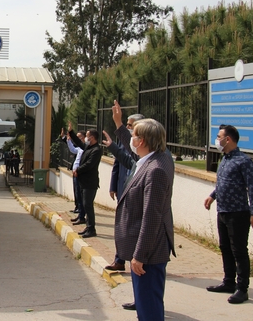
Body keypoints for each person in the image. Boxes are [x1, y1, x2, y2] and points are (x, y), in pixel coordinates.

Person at [104, 105, 175, 321]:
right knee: (146, 306)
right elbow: (129, 150)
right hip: (147, 251)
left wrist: (139, 256)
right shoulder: (155, 158)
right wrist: (119, 124)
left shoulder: (155, 170)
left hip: (148, 254)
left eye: (134, 134)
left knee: (149, 310)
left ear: (142, 141)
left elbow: (151, 217)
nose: (131, 139)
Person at [204, 124, 253, 304]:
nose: (217, 139)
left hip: (238, 213)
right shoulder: (225, 159)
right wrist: (212, 196)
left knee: (239, 251)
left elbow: (252, 188)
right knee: (225, 248)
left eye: (219, 136)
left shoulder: (243, 161)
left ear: (228, 139)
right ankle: (228, 281)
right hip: (223, 210)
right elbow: (223, 183)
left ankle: (242, 288)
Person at [105, 113, 145, 275]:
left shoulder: (144, 148)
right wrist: (113, 185)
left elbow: (133, 163)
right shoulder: (126, 143)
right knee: (122, 226)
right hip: (123, 187)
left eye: (130, 125)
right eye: (126, 125)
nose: (127, 128)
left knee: (133, 227)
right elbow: (119, 162)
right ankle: (119, 259)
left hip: (136, 193)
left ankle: (135, 259)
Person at [71, 128, 102, 238]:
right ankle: (88, 227)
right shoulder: (88, 147)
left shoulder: (96, 150)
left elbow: (89, 164)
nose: (85, 139)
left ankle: (91, 229)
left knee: (88, 205)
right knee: (85, 204)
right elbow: (79, 143)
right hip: (83, 182)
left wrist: (77, 170)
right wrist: (71, 132)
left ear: (92, 138)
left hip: (90, 183)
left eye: (87, 136)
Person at [62, 127, 85, 223]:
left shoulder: (86, 149)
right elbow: (72, 149)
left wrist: (78, 170)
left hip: (80, 174)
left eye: (79, 137)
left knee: (80, 195)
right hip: (75, 173)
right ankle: (80, 214)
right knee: (77, 194)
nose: (77, 138)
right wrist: (67, 140)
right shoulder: (79, 149)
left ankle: (82, 215)